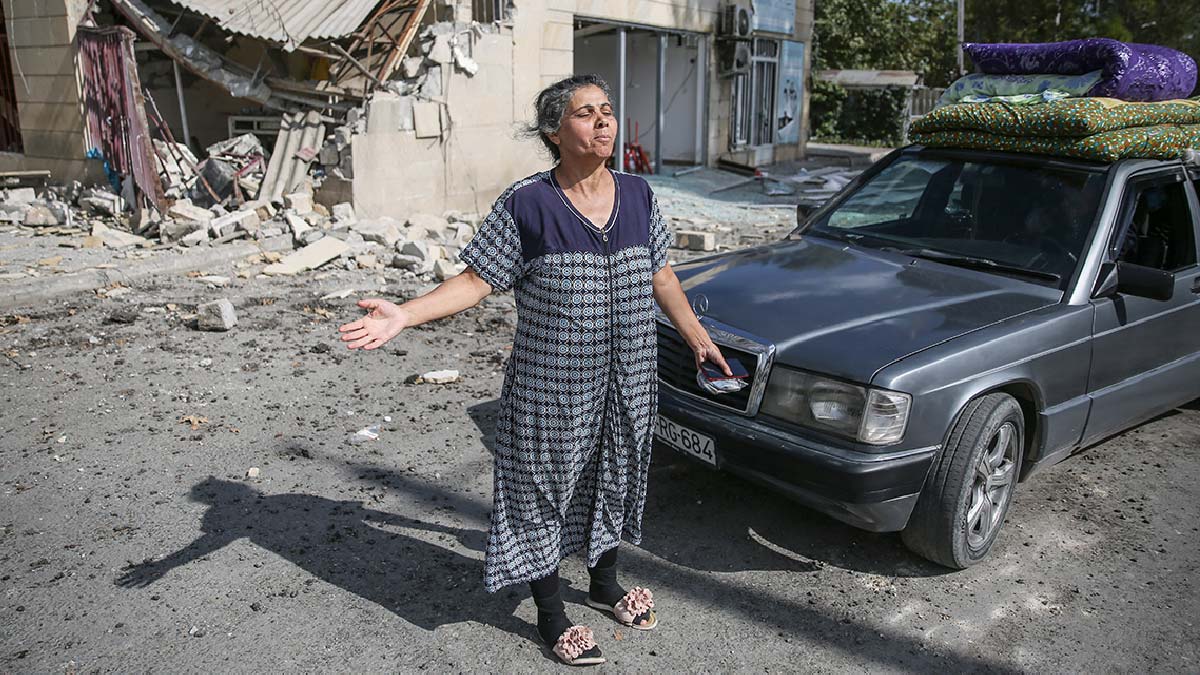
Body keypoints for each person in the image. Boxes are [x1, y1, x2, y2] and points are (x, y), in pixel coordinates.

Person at [337, 74, 730, 666]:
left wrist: (697, 336)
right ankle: (550, 612)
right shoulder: (528, 202)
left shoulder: (640, 195)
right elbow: (475, 281)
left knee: (613, 478)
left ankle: (604, 582)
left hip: (629, 383)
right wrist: (405, 315)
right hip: (552, 388)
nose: (603, 121)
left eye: (607, 110)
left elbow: (662, 274)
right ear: (554, 131)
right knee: (540, 493)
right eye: (585, 113)